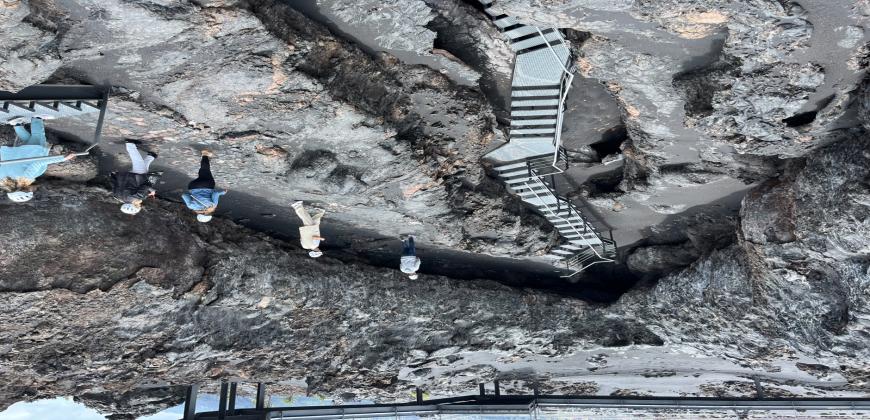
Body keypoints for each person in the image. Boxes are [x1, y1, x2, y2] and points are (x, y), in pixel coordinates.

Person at [0, 117, 76, 202]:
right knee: (28, 139)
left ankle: (37, 118)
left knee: (38, 136)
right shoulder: (2, 179)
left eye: (30, 191)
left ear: (23, 190)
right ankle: (17, 125)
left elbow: (38, 163)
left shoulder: (25, 178)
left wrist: (63, 158)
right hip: (16, 152)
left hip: (32, 152)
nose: (33, 190)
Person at [110, 142, 158, 215]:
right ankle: (151, 156)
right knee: (142, 167)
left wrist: (152, 190)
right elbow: (113, 184)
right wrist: (113, 175)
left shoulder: (136, 197)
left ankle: (130, 145)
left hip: (137, 177)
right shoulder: (117, 197)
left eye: (138, 206)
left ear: (134, 205)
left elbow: (145, 186)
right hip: (124, 176)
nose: (140, 205)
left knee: (137, 161)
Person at [181, 150, 226, 223]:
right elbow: (184, 195)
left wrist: (223, 192)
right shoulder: (191, 207)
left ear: (207, 214)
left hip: (207, 185)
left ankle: (205, 154)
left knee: (206, 171)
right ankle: (205, 160)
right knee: (203, 173)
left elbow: (216, 194)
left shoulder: (212, 206)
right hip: (193, 186)